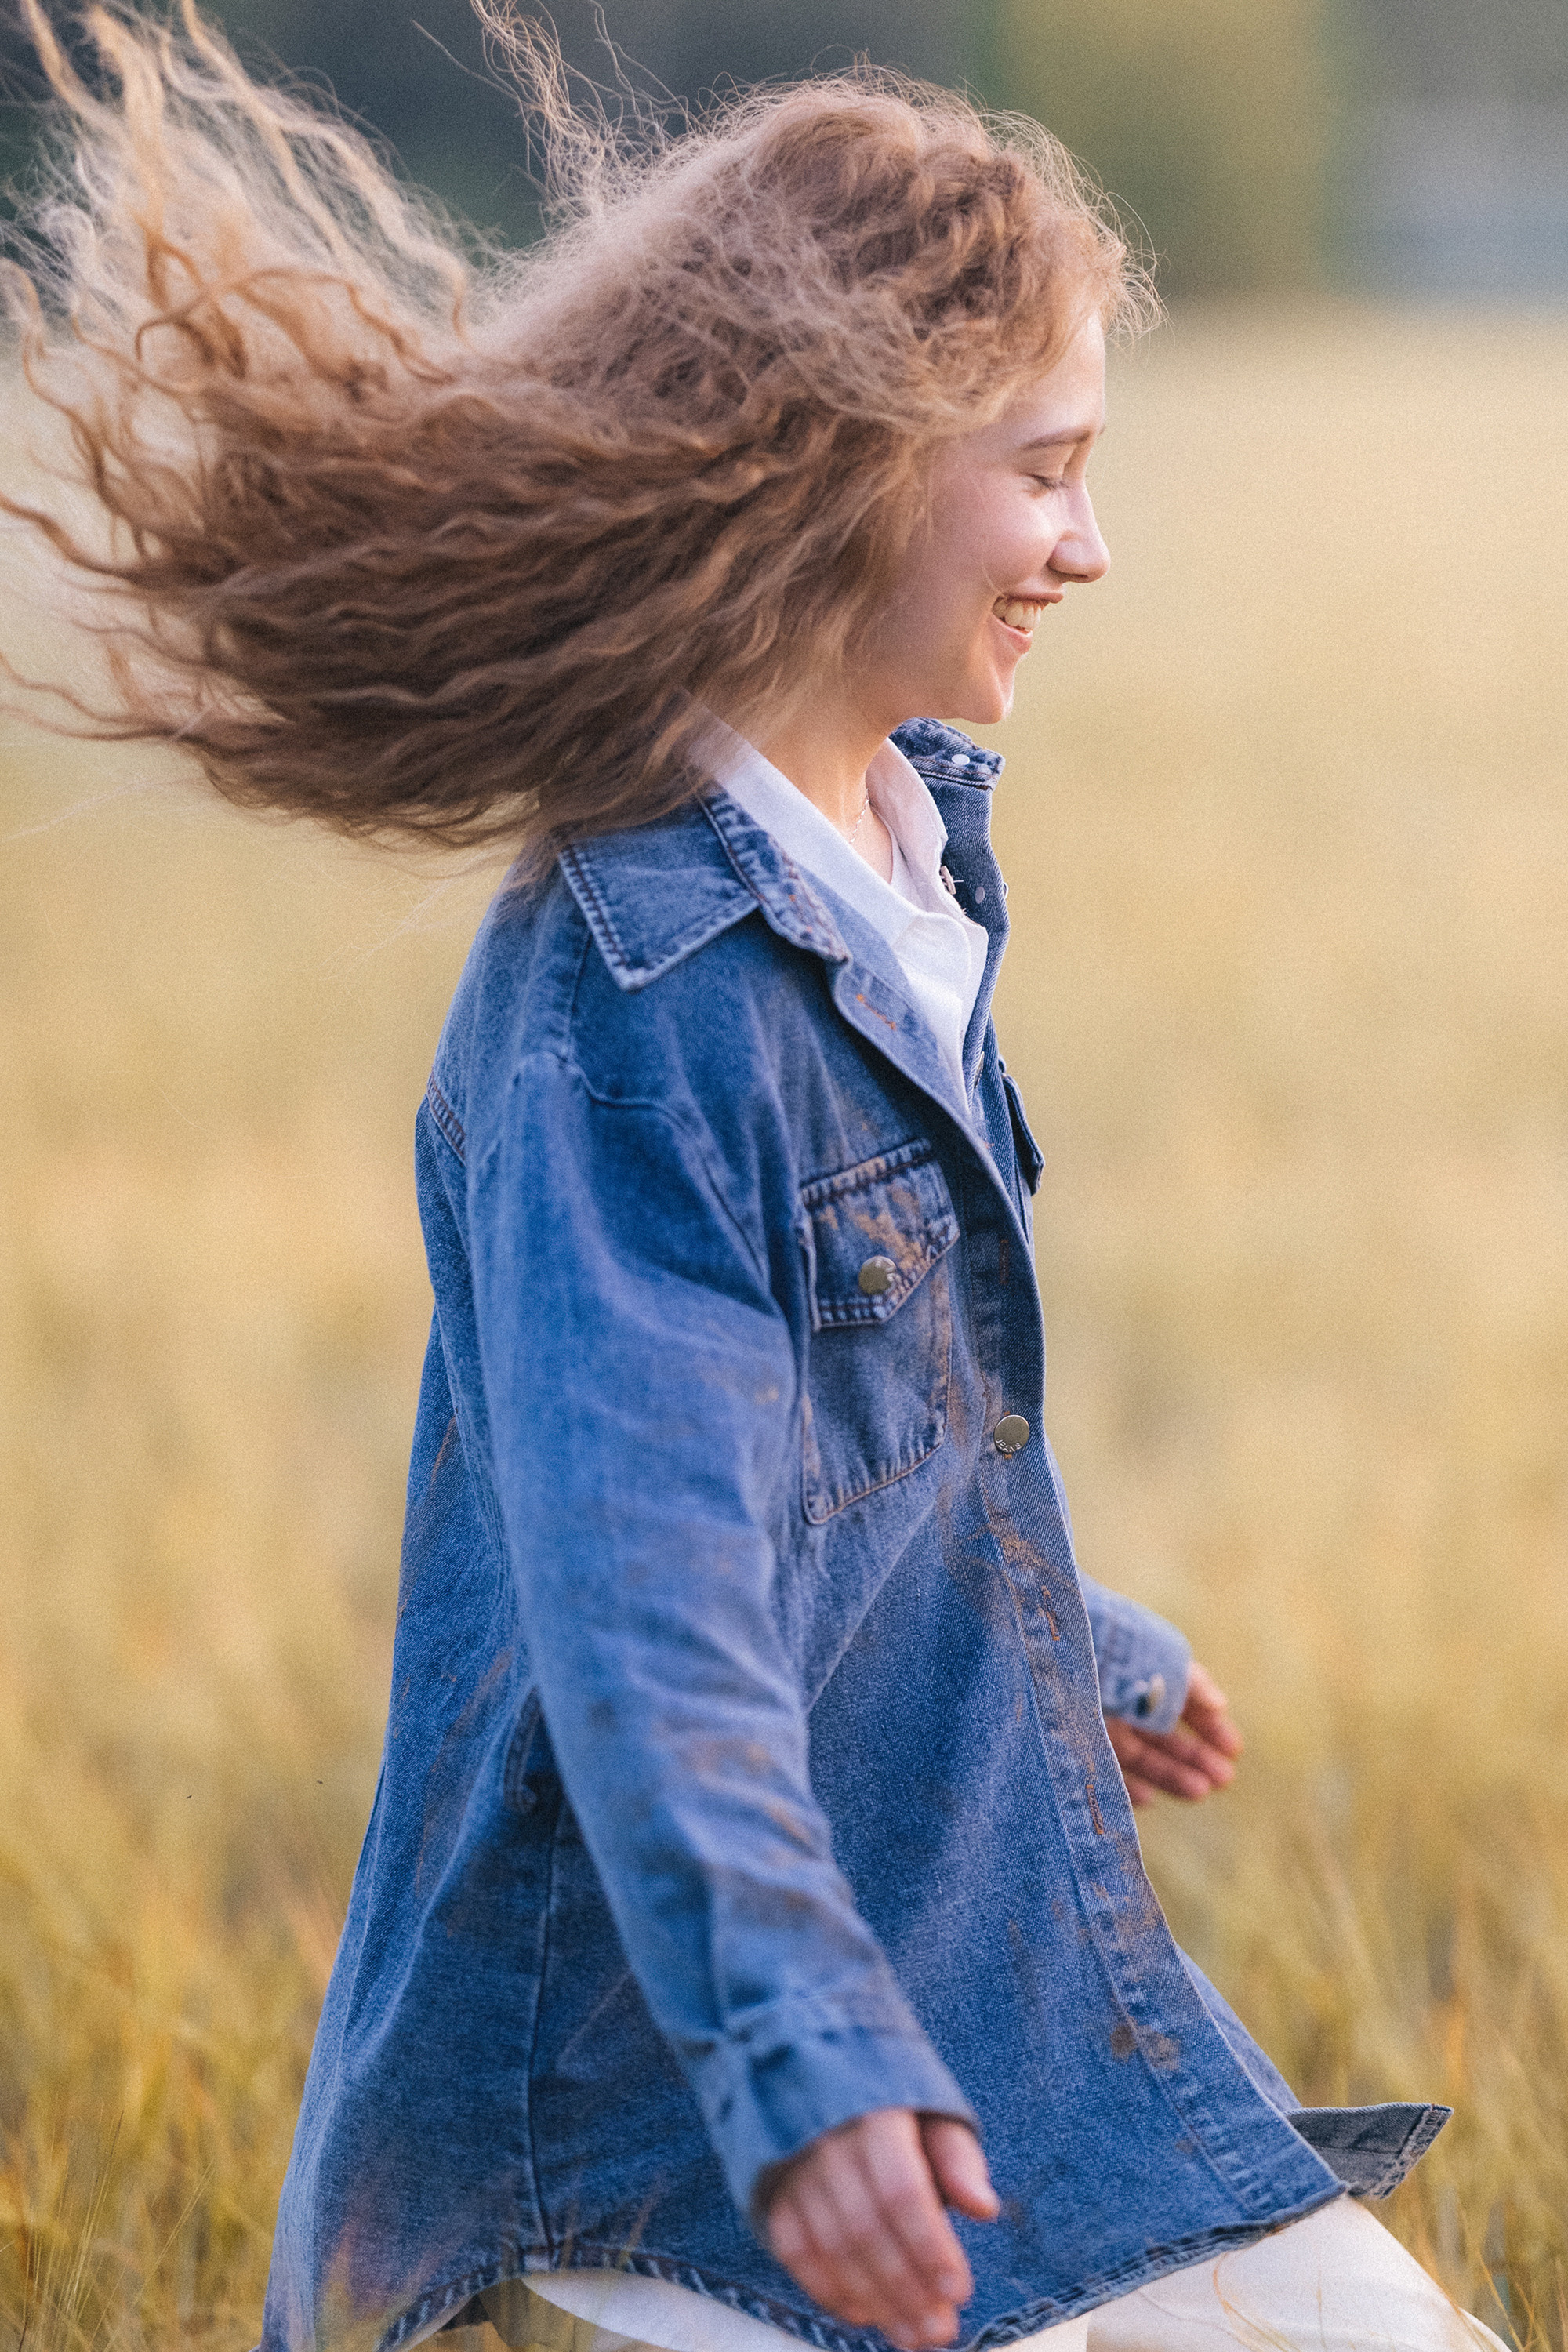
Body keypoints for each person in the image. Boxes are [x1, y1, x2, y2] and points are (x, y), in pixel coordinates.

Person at [2, 8, 1498, 2349]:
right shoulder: (641, 999)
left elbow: (820, 1443)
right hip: (670, 2109)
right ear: (849, 475)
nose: (1094, 544)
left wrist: (1061, 1650)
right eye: (1049, 471)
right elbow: (651, 1607)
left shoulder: (893, 871)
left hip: (943, 1985)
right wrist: (803, 2073)